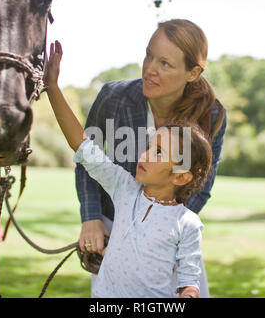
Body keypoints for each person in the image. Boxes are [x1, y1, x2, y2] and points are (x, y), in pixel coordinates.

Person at [44, 40, 214, 297]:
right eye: (149, 146)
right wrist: (53, 87)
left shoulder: (187, 224)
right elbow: (80, 143)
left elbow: (189, 279)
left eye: (158, 152)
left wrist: (189, 291)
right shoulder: (124, 188)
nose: (144, 155)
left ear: (181, 175)